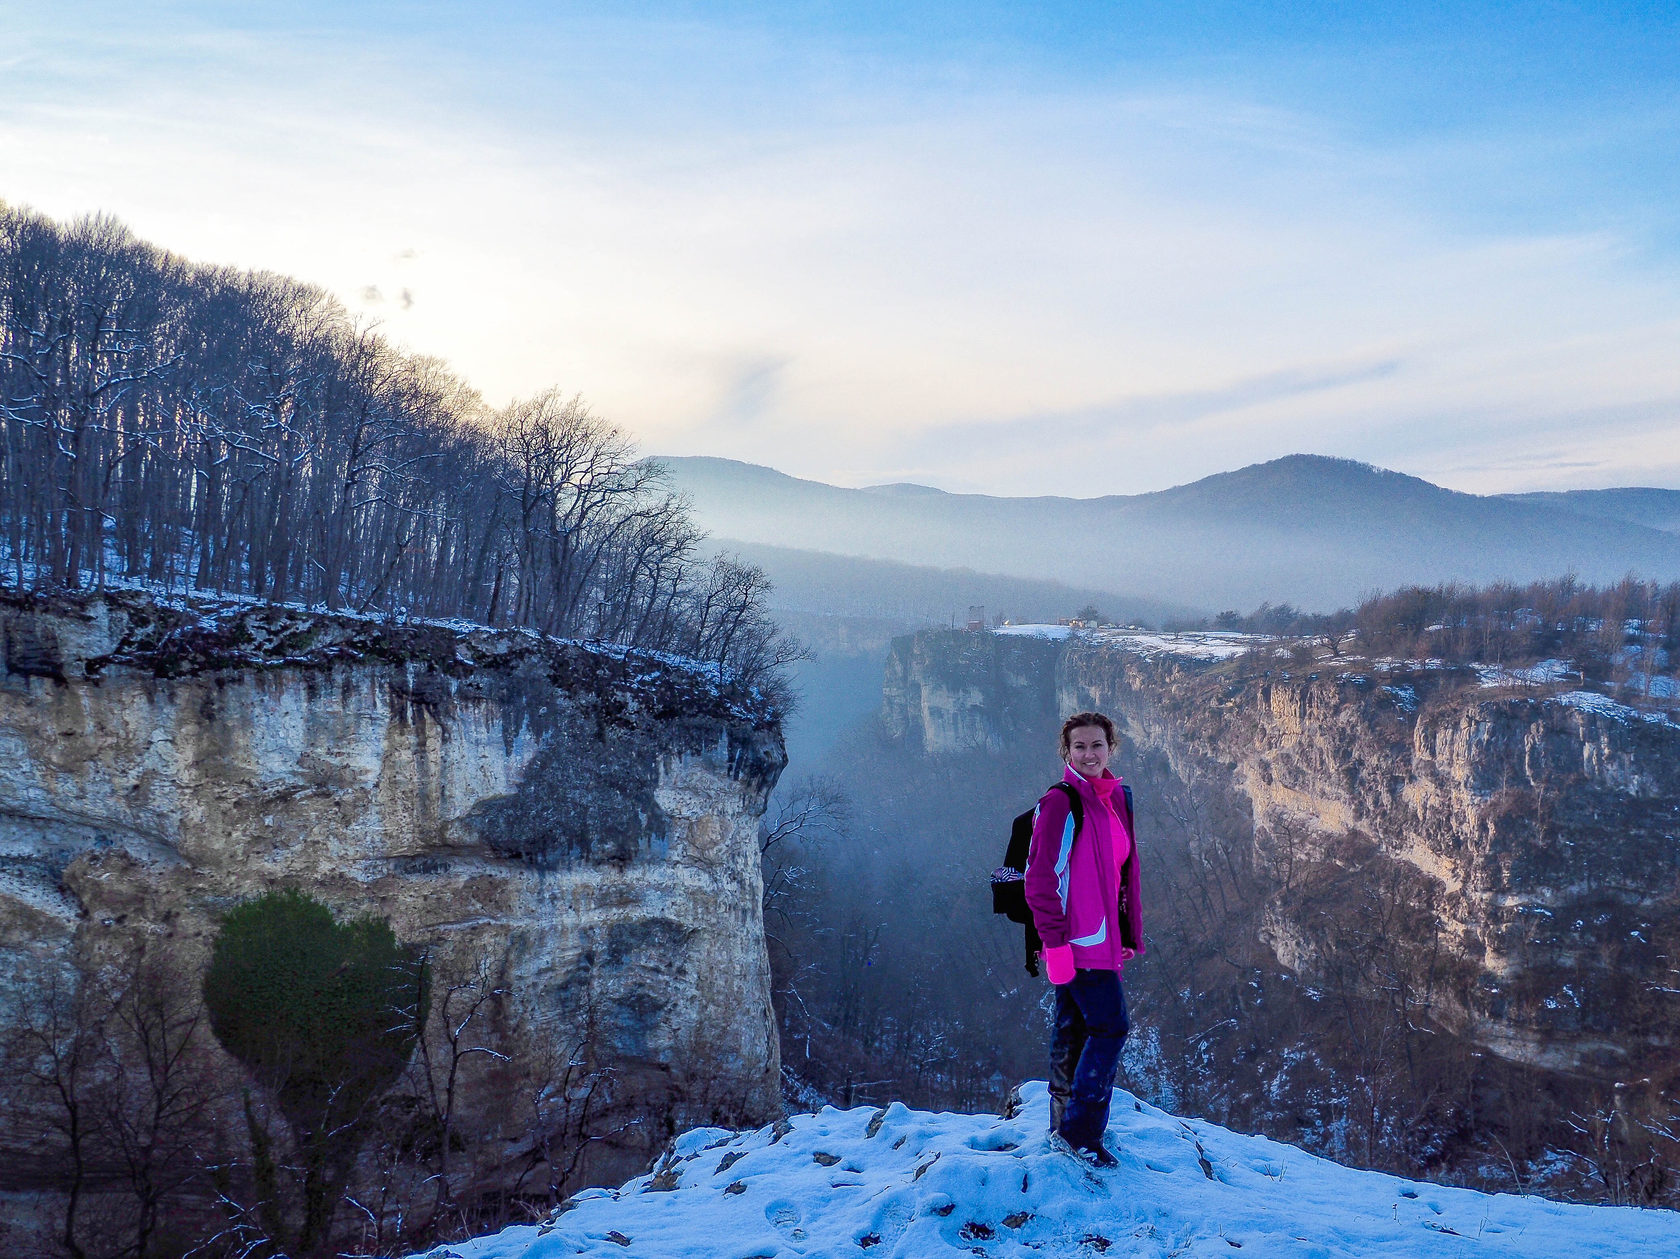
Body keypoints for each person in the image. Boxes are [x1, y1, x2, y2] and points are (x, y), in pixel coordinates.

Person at [1023, 711, 1143, 1167]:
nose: (1089, 754)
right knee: (1111, 1028)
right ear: (1066, 752)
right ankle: (1081, 1135)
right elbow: (1039, 882)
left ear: (1111, 747)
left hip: (1099, 939)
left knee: (1073, 1029)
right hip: (1076, 943)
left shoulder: (1112, 799)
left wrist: (1124, 933)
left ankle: (1063, 1128)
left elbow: (1114, 875)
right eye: (1080, 747)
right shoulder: (1062, 802)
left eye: (1097, 745)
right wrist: (1054, 945)